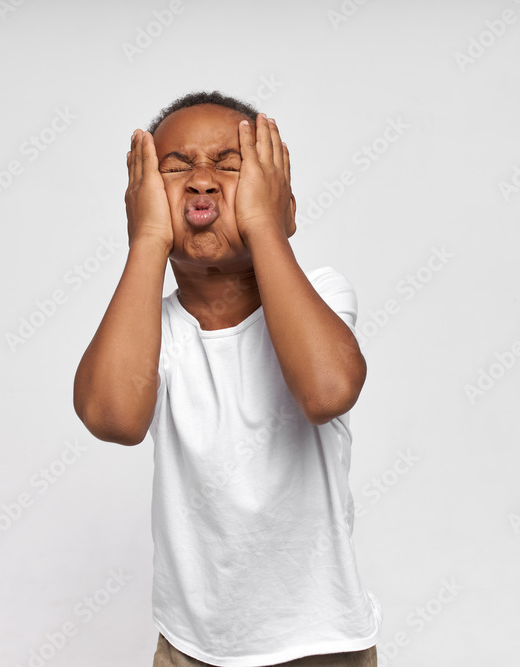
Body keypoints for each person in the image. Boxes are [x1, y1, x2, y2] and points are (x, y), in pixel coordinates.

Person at [73, 90, 381, 667]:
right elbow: (113, 418)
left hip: (321, 643)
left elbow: (326, 390)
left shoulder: (324, 293)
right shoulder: (150, 330)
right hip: (192, 650)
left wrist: (266, 224)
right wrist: (146, 243)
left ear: (284, 204)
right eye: (176, 167)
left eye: (232, 165)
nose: (202, 182)